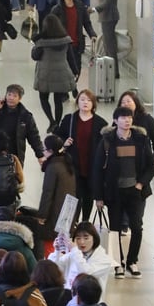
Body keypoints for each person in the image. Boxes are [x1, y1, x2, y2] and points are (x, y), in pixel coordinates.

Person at [93, 106, 154, 278]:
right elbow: (97, 169)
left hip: (135, 191)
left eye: (129, 117)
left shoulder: (141, 139)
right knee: (115, 229)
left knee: (137, 227)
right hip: (114, 192)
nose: (127, 120)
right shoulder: (107, 140)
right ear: (115, 121)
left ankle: (132, 261)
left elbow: (150, 165)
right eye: (123, 117)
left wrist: (141, 183)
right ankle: (117, 263)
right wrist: (98, 196)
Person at [55, 89, 108, 220]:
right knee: (73, 195)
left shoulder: (101, 123)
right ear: (77, 101)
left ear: (93, 104)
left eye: (89, 100)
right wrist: (64, 143)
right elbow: (57, 138)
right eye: (82, 99)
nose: (85, 103)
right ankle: (72, 222)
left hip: (92, 165)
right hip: (73, 165)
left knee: (89, 195)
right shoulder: (69, 119)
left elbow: (105, 146)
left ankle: (85, 221)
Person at [0, 83, 45, 167]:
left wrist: (40, 154)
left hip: (14, 155)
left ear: (20, 98)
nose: (11, 98)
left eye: (15, 96)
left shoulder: (25, 116)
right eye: (9, 94)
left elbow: (34, 136)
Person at [31, 15, 76, 133]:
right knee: (58, 100)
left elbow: (35, 56)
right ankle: (57, 122)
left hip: (45, 74)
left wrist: (34, 43)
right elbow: (71, 57)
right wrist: (75, 71)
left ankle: (51, 121)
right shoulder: (66, 40)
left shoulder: (41, 42)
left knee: (43, 98)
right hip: (61, 73)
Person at [48, 220, 112, 294]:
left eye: (86, 238)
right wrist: (57, 251)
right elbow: (54, 270)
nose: (82, 242)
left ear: (94, 238)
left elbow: (86, 274)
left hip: (90, 303)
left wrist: (74, 250)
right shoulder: (73, 255)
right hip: (70, 301)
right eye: (78, 238)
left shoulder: (104, 260)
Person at [51, 0, 97, 79]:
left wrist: (92, 34)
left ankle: (73, 85)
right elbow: (51, 25)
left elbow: (86, 23)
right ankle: (68, 87)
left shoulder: (80, 7)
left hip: (76, 43)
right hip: (63, 44)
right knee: (64, 67)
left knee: (77, 68)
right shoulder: (57, 10)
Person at [116, 89, 154, 172]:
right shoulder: (118, 119)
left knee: (143, 180)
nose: (126, 104)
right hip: (123, 157)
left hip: (143, 156)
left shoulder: (146, 118)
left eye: (128, 101)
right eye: (123, 102)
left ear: (136, 103)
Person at [93, 0, 120, 79]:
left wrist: (95, 9)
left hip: (107, 16)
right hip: (113, 15)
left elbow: (107, 0)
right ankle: (114, 70)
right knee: (110, 44)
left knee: (109, 45)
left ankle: (113, 72)